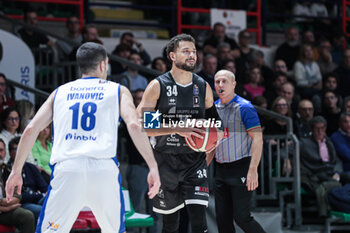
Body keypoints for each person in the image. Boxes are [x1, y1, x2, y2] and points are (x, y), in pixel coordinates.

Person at [5, 42, 160, 233]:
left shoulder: (59, 92)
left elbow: (30, 130)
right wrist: (153, 166)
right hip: (103, 170)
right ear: (104, 65)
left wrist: (15, 171)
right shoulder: (118, 90)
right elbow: (135, 125)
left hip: (67, 169)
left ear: (81, 66)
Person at [136, 34, 223, 233]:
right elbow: (143, 126)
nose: (192, 55)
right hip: (165, 161)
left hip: (194, 162)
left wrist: (209, 149)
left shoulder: (203, 86)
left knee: (199, 223)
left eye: (193, 51)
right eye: (186, 51)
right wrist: (177, 127)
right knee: (170, 225)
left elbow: (216, 126)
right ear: (172, 56)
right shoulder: (157, 86)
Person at [206, 69, 265, 233]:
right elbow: (212, 144)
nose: (220, 85)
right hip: (221, 170)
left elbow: (258, 140)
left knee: (241, 217)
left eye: (224, 81)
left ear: (233, 84)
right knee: (222, 221)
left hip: (242, 167)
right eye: (217, 82)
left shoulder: (245, 107)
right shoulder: (212, 109)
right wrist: (203, 168)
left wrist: (253, 170)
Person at [299, 116, 350, 216]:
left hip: (332, 173)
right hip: (317, 174)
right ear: (312, 129)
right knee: (332, 186)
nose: (320, 131)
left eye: (322, 128)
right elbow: (285, 151)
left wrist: (336, 173)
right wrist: (286, 160)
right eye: (317, 129)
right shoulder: (304, 143)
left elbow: (336, 160)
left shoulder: (329, 142)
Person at [6, 137, 48, 222]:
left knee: (52, 201)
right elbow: (19, 197)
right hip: (21, 204)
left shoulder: (31, 167)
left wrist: (43, 195)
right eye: (15, 149)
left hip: (36, 199)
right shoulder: (6, 169)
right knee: (42, 210)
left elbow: (44, 188)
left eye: (21, 149)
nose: (19, 152)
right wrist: (40, 195)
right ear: (10, 152)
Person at [0, 138, 35, 233]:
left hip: (5, 210)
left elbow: (17, 195)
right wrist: (6, 206)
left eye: (1, 150)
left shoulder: (8, 170)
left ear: (5, 153)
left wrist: (5, 205)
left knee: (27, 215)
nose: (0, 154)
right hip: (5, 208)